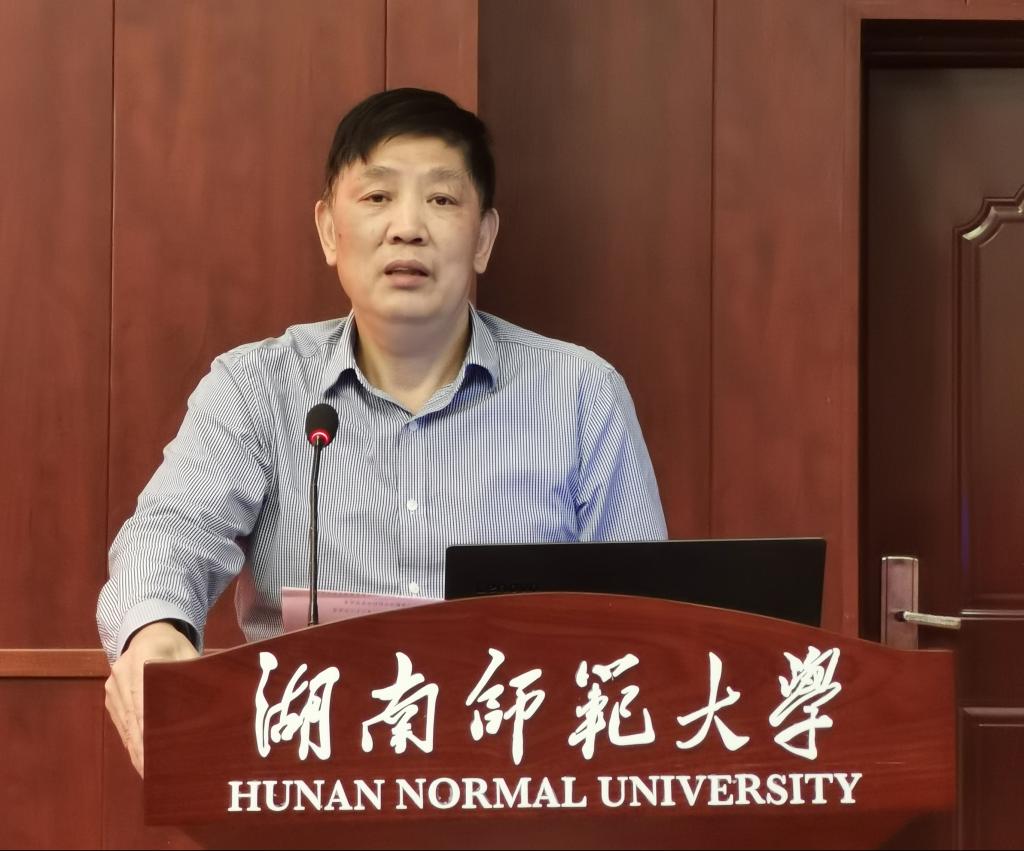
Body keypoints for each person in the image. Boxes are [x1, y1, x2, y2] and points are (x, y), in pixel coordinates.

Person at [98, 88, 667, 775]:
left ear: (483, 238)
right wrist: (153, 629)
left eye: (442, 199)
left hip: (522, 776)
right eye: (377, 197)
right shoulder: (257, 387)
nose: (408, 227)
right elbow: (169, 533)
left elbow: (650, 615)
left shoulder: (580, 393)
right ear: (328, 229)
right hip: (307, 776)